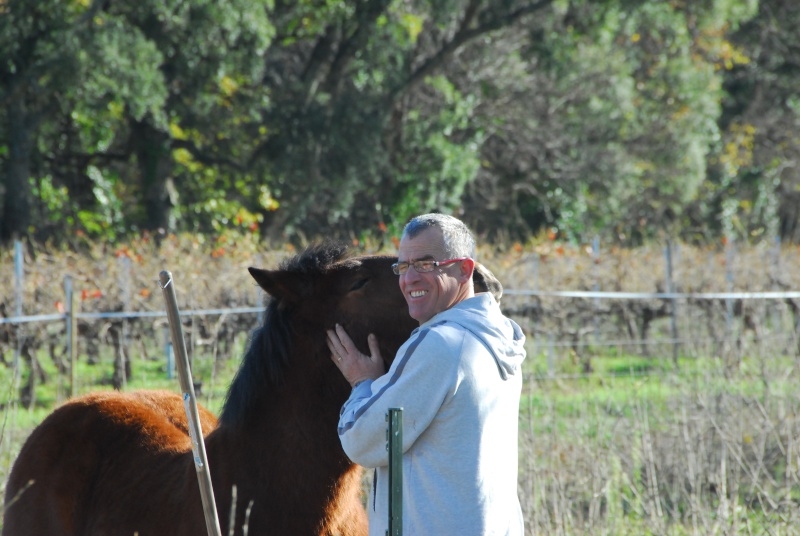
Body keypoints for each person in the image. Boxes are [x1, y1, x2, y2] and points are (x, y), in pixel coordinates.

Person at [326, 213, 527, 535]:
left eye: (426, 264)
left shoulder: (441, 344)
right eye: (403, 267)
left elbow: (362, 441)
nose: (409, 279)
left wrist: (362, 383)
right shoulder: (495, 337)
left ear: (464, 270)